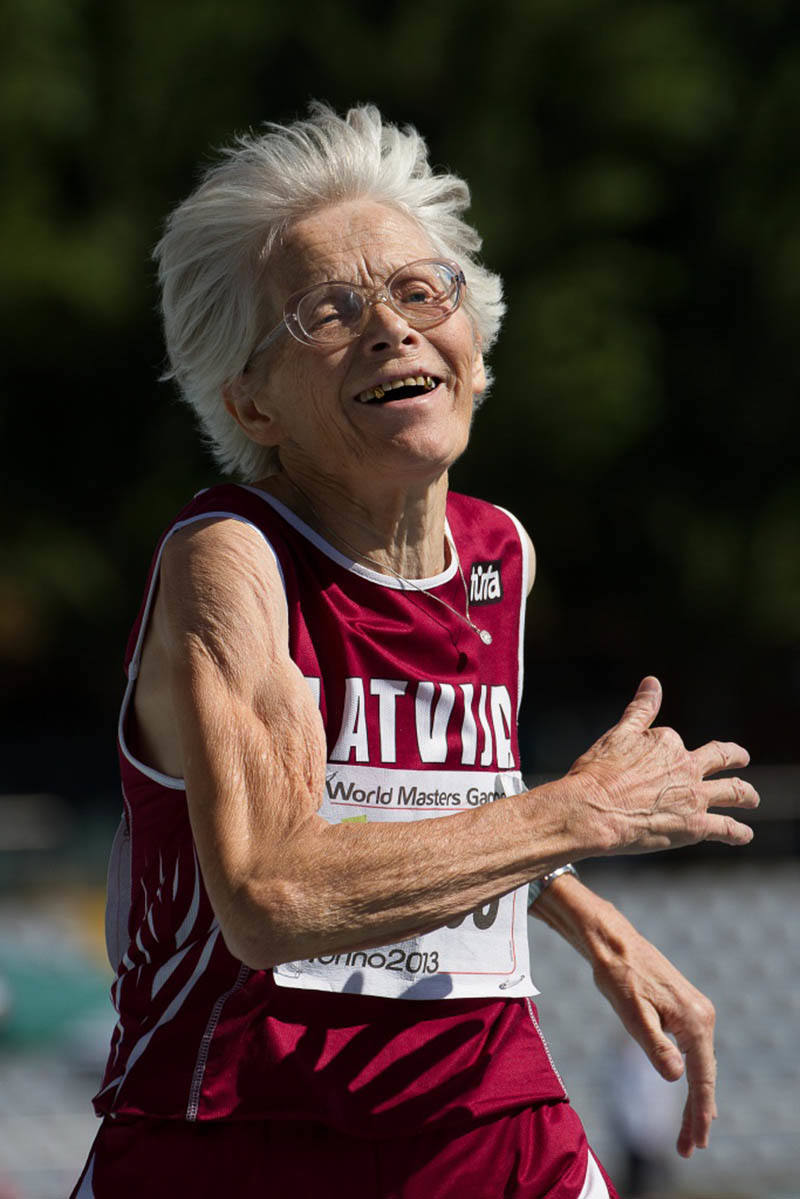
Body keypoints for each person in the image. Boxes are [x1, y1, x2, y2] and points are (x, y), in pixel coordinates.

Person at [70, 103, 758, 1199]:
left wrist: (578, 907)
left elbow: (415, 793)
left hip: (487, 1108)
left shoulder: (500, 553)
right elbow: (270, 893)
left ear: (472, 347)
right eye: (326, 312)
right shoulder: (231, 560)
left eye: (416, 291)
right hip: (248, 1130)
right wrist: (574, 814)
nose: (389, 326)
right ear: (252, 400)